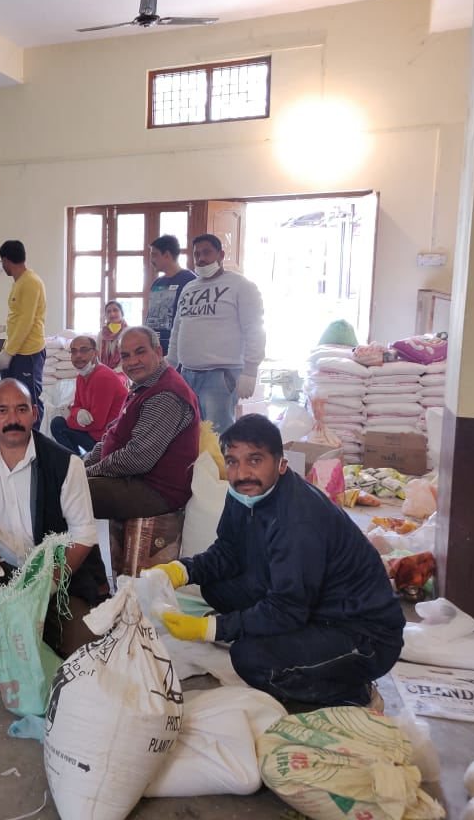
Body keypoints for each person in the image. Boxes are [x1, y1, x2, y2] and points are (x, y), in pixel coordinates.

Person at [150, 414, 403, 710]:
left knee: (250, 658)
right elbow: (228, 551)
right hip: (312, 606)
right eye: (232, 461)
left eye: (254, 460)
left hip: (362, 633)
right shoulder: (244, 492)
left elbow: (288, 608)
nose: (241, 472)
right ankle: (297, 648)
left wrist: (211, 629)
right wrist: (181, 570)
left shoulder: (298, 519)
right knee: (216, 587)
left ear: (282, 464)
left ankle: (348, 691)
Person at [0, 378, 109, 689]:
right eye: (2, 410)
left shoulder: (66, 463)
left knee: (87, 650)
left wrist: (47, 585)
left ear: (35, 414)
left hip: (48, 578)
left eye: (21, 409)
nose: (12, 419)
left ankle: (19, 624)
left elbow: (83, 535)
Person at [85, 327, 200, 521]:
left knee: (68, 493)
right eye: (125, 356)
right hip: (135, 479)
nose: (132, 362)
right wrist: (81, 464)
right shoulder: (144, 385)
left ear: (158, 352)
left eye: (140, 352)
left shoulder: (166, 394)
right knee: (62, 480)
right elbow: (112, 436)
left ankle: (53, 551)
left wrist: (87, 473)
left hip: (157, 490)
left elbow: (137, 458)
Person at [168, 233, 266, 433]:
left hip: (220, 376)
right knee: (191, 434)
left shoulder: (241, 286)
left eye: (207, 253)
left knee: (218, 436)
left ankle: (220, 466)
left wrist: (250, 370)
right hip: (187, 374)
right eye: (197, 254)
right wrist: (170, 361)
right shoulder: (188, 288)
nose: (201, 258)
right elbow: (178, 328)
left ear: (220, 255)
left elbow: (254, 329)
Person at [49, 335, 127, 456]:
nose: (78, 355)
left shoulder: (103, 377)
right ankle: (78, 463)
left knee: (59, 425)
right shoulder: (81, 377)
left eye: (84, 350)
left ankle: (80, 464)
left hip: (108, 442)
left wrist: (70, 417)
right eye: (74, 351)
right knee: (58, 423)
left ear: (95, 353)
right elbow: (76, 405)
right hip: (95, 434)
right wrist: (77, 412)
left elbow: (97, 423)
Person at [0, 239, 47, 423]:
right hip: (17, 350)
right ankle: (17, 439)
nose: (3, 266)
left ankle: (34, 444)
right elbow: (18, 317)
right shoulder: (19, 282)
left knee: (29, 400)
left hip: (29, 352)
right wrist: (6, 346)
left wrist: (9, 352)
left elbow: (27, 321)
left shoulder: (30, 282)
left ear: (6, 261)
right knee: (12, 398)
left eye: (2, 262)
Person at [144, 234, 196, 356]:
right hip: (155, 348)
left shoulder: (190, 281)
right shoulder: (157, 283)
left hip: (179, 349)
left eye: (154, 255)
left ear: (167, 255)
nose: (151, 260)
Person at [97, 301, 129, 373]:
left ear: (122, 313)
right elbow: (97, 355)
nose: (112, 314)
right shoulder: (101, 334)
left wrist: (114, 372)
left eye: (115, 310)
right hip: (103, 371)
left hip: (124, 371)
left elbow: (129, 359)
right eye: (108, 311)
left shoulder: (129, 333)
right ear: (105, 316)